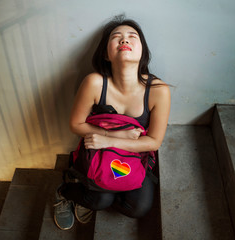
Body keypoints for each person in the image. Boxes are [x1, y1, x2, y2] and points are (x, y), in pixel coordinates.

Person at [53, 15, 171, 230]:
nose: (124, 40)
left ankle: (96, 193)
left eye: (132, 37)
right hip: (96, 151)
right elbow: (76, 125)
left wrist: (111, 140)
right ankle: (66, 192)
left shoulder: (158, 91)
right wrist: (114, 137)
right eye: (116, 37)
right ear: (106, 54)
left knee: (138, 208)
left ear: (142, 50)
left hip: (133, 154)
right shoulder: (95, 83)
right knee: (100, 200)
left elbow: (153, 142)